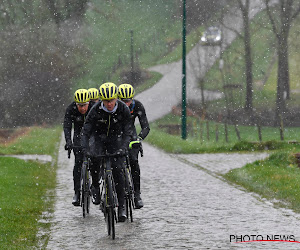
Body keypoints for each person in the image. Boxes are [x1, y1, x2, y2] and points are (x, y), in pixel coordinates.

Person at [81, 82, 132, 222]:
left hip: (116, 140)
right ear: (101, 100)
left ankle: (121, 206)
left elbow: (128, 130)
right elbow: (86, 131)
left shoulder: (122, 109)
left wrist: (124, 147)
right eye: (106, 101)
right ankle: (96, 186)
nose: (109, 104)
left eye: (111, 100)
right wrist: (85, 149)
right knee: (95, 160)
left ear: (116, 98)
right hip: (99, 139)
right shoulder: (95, 110)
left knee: (118, 171)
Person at [118, 83, 150, 209]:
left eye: (128, 101)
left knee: (134, 163)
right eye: (123, 101)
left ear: (132, 99)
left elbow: (146, 127)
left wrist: (139, 138)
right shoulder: (115, 107)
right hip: (117, 136)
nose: (126, 104)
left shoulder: (138, 106)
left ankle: (137, 195)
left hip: (131, 136)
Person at [63, 88, 93, 206]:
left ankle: (95, 186)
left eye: (84, 105)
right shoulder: (71, 109)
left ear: (88, 103)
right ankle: (77, 192)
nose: (82, 108)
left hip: (92, 135)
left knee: (96, 160)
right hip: (78, 136)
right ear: (76, 103)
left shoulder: (94, 108)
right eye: (79, 105)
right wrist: (68, 142)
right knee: (78, 163)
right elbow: (67, 126)